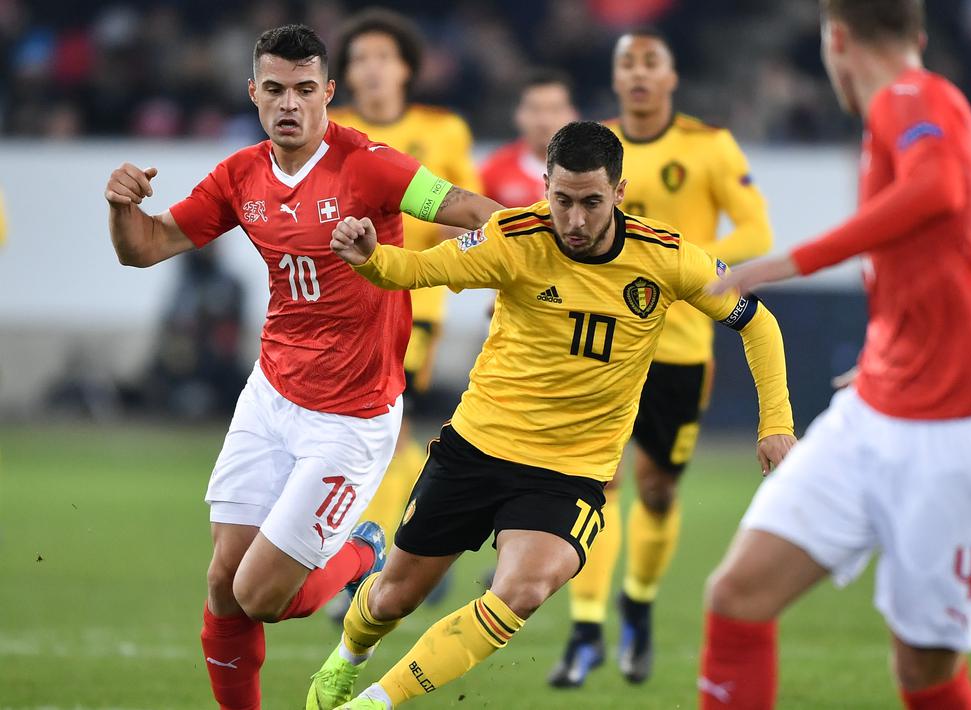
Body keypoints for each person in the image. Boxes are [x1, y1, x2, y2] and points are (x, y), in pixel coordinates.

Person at [304, 120, 795, 710]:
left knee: (523, 589)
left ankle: (377, 703)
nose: (575, 220)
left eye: (591, 202)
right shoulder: (513, 237)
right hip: (478, 447)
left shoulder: (665, 258)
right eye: (562, 201)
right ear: (545, 187)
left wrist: (776, 423)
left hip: (571, 472)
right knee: (392, 599)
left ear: (619, 192)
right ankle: (347, 657)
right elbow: (417, 269)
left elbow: (758, 323)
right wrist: (370, 257)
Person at [102, 25, 501, 710]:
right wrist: (121, 208)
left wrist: (530, 256)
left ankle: (362, 551)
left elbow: (475, 211)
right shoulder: (240, 175)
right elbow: (144, 247)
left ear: (328, 93)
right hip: (271, 396)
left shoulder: (370, 165)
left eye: (305, 89)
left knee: (260, 595)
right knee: (223, 584)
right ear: (254, 92)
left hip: (351, 417)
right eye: (276, 89)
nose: (290, 103)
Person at [698, 2, 971, 708]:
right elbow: (934, 252)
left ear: (837, 39)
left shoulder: (909, 96)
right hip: (877, 408)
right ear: (916, 35)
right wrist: (896, 346)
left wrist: (789, 261)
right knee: (737, 594)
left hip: (959, 431)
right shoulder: (916, 107)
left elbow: (936, 188)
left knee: (924, 669)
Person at [550, 28, 774, 688]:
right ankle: (586, 629)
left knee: (656, 489)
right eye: (628, 63)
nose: (640, 74)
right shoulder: (595, 152)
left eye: (652, 63)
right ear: (615, 78)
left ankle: (638, 606)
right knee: (596, 485)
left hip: (678, 347)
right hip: (600, 343)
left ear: (671, 78)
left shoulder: (708, 146)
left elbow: (757, 229)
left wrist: (684, 263)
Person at [330, 8, 484, 549]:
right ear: (345, 75)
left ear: (406, 69)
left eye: (384, 57)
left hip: (412, 304)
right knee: (349, 432)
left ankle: (372, 553)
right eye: (360, 59)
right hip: (338, 306)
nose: (372, 68)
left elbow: (466, 212)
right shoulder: (329, 132)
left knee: (387, 425)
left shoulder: (443, 130)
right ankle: (411, 534)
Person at [479, 69, 579, 207]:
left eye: (555, 109)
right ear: (518, 114)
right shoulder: (493, 171)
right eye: (535, 109)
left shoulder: (595, 169)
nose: (545, 121)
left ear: (573, 114)